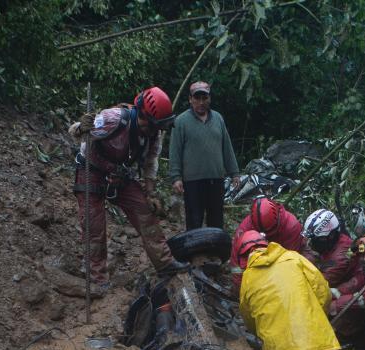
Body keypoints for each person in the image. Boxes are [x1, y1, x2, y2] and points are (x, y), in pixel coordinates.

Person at [68, 86, 188, 295]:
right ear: (145, 117)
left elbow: (150, 162)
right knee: (94, 227)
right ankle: (97, 277)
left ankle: (165, 263)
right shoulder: (114, 119)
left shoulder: (153, 135)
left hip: (120, 175)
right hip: (91, 170)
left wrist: (150, 192)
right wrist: (82, 128)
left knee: (145, 214)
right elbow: (76, 132)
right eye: (156, 125)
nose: (157, 130)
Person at [168, 81, 240, 230]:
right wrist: (176, 177)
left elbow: (226, 147)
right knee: (194, 220)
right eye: (197, 98)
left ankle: (215, 245)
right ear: (190, 99)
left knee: (216, 219)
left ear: (209, 99)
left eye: (204, 98)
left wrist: (234, 173)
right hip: (192, 181)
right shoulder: (181, 121)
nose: (201, 102)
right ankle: (194, 246)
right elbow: (175, 151)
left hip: (216, 178)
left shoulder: (218, 119)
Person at [230, 197, 304, 293]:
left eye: (270, 233)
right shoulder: (244, 229)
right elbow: (237, 265)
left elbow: (291, 262)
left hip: (284, 260)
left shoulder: (291, 226)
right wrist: (241, 290)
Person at [300, 209, 357, 287]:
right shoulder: (332, 242)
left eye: (316, 239)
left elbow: (321, 284)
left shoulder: (340, 257)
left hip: (342, 285)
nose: (312, 243)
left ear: (331, 235)